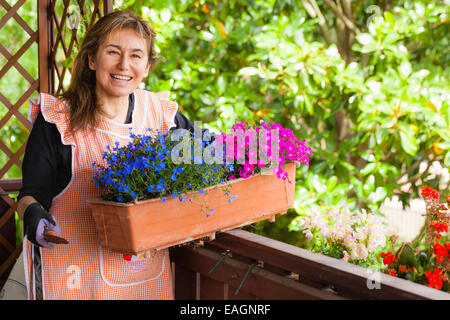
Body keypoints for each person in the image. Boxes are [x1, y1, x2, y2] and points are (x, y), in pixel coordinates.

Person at [17, 9, 210, 300]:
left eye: (136, 55)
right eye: (113, 52)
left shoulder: (160, 115)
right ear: (92, 59)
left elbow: (210, 152)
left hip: (143, 279)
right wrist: (33, 215)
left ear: (146, 67)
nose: (124, 65)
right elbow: (29, 195)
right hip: (74, 278)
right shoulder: (57, 120)